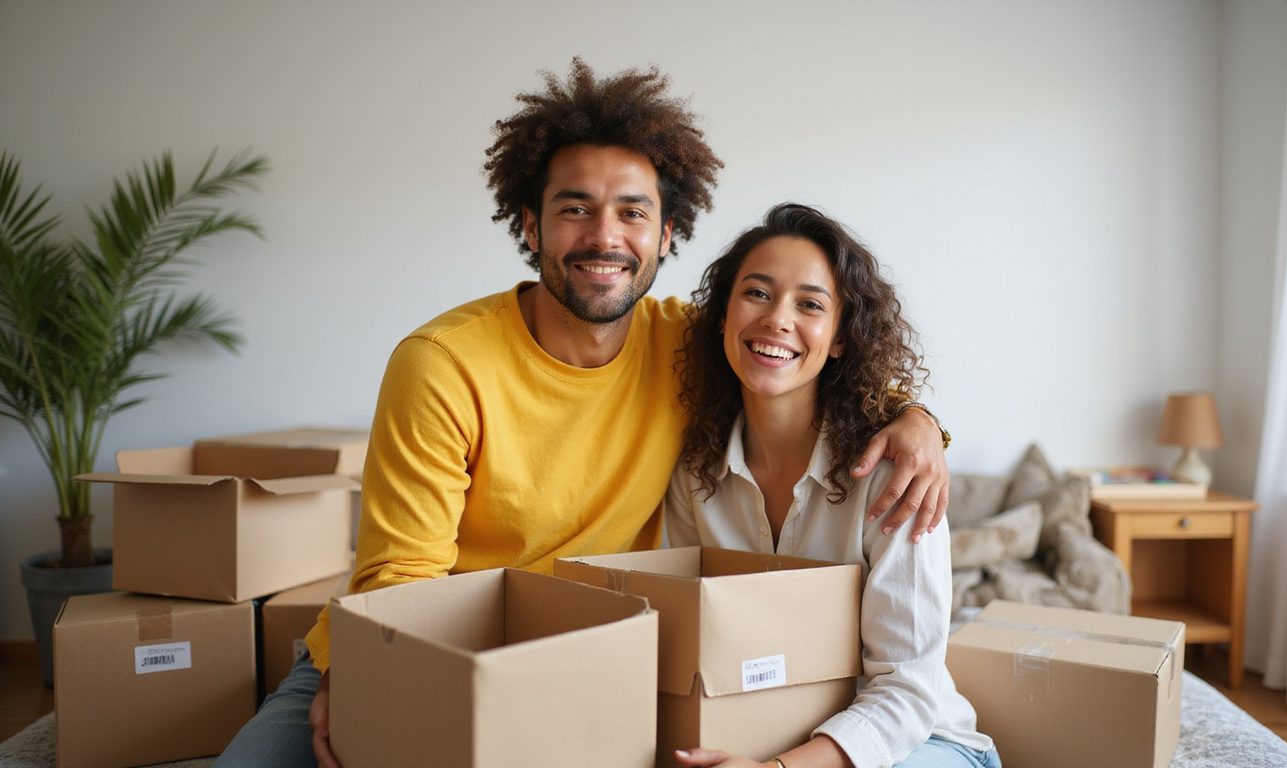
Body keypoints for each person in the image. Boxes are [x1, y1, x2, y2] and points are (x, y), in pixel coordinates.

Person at [216, 60, 950, 768]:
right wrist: (375, 682)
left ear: (667, 236)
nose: (605, 236)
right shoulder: (442, 362)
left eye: (633, 212)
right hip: (412, 646)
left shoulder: (688, 346)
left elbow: (800, 362)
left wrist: (917, 423)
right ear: (530, 225)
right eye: (576, 209)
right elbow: (402, 577)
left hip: (578, 665)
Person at [666, 204, 998, 768]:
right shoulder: (695, 474)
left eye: (811, 305)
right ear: (723, 315)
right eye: (757, 293)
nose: (777, 320)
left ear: (840, 338)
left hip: (920, 747)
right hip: (766, 738)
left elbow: (908, 691)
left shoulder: (894, 474)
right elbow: (683, 640)